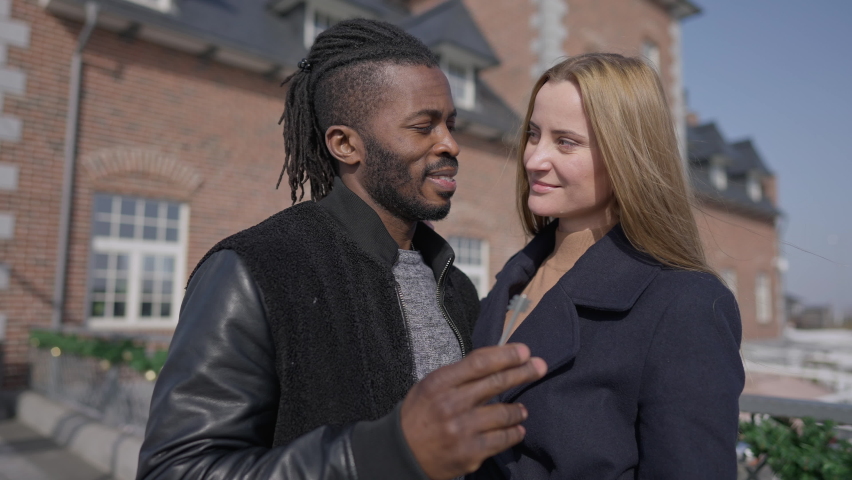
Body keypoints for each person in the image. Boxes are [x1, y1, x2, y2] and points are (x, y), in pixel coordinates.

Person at [137, 19, 547, 480]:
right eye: (422, 126)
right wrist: (383, 452)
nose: (450, 143)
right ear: (346, 144)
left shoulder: (454, 285)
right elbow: (176, 469)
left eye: (450, 124)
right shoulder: (252, 272)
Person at [469, 53, 745, 479]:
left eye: (566, 142)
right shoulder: (514, 278)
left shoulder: (685, 304)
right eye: (533, 134)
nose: (533, 159)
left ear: (627, 155)